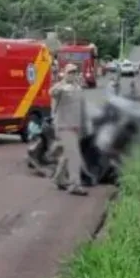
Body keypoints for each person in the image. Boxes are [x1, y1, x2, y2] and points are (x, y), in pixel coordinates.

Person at [49, 64, 88, 196]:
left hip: (75, 126)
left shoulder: (78, 88)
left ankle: (58, 178)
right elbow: (52, 92)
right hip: (64, 127)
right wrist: (61, 82)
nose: (73, 74)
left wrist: (83, 126)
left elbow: (81, 108)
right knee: (74, 156)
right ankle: (75, 184)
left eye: (75, 72)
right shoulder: (61, 88)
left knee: (67, 155)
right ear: (65, 73)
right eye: (70, 72)